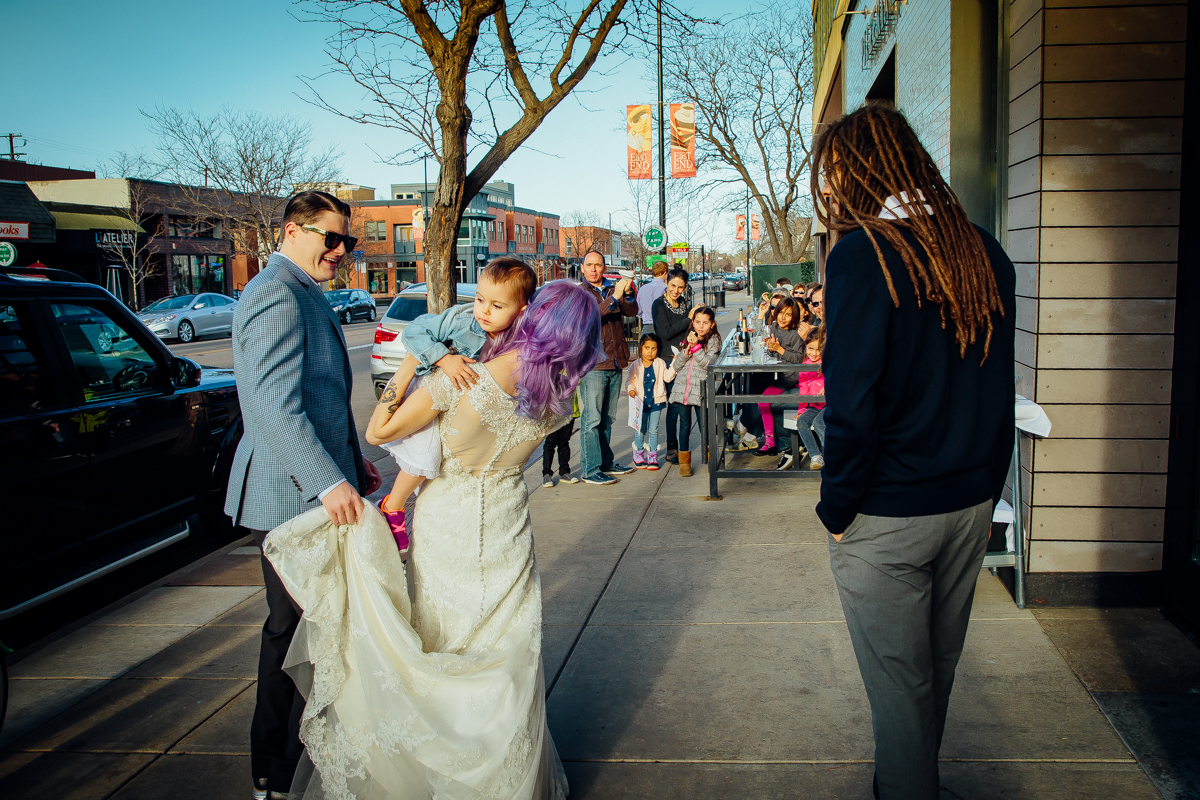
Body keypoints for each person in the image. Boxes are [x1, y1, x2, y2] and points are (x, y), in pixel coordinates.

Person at [266, 280, 603, 800]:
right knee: (506, 648)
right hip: (508, 524)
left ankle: (440, 768)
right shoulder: (562, 399)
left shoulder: (466, 380)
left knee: (444, 642)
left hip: (450, 519)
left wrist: (408, 365)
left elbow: (379, 432)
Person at [813, 104, 1015, 800]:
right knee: (933, 677)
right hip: (965, 503)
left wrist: (837, 508)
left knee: (902, 690)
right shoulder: (981, 249)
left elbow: (851, 402)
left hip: (887, 513)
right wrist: (990, 488)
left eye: (839, 174)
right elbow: (999, 384)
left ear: (868, 169)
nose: (834, 191)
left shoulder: (863, 254)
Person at [222, 190, 383, 800]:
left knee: (304, 634)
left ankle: (285, 765)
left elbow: (315, 400)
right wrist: (328, 481)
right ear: (293, 231)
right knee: (292, 635)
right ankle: (274, 773)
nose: (341, 252)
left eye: (348, 242)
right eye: (331, 239)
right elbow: (276, 410)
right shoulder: (274, 294)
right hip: (289, 497)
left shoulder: (300, 289)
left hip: (311, 486)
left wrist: (351, 462)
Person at [374, 259, 536, 550]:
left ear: (521, 310)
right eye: (480, 299)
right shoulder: (462, 319)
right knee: (425, 454)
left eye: (497, 306)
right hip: (428, 387)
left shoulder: (515, 341)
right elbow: (414, 331)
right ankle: (393, 505)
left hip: (459, 405)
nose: (484, 311)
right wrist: (443, 357)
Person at [579, 249, 638, 485]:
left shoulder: (613, 287)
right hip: (593, 364)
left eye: (598, 265)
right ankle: (590, 469)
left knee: (607, 418)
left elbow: (632, 312)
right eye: (589, 265)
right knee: (592, 419)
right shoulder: (579, 293)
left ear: (604, 267)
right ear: (582, 267)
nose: (594, 269)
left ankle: (605, 462)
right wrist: (614, 297)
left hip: (615, 360)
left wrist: (630, 294)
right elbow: (591, 316)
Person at [651, 268, 701, 462]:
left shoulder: (683, 303)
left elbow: (687, 330)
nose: (676, 290)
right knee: (674, 405)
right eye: (673, 285)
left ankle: (682, 446)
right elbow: (666, 332)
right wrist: (689, 317)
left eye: (680, 287)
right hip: (668, 360)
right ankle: (672, 447)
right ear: (666, 282)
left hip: (685, 357)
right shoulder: (659, 305)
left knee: (684, 404)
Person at [665, 306, 721, 477]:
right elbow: (676, 365)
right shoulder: (690, 337)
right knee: (684, 426)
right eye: (697, 322)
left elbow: (708, 364)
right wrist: (686, 350)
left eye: (705, 323)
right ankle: (684, 463)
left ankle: (711, 459)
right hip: (683, 388)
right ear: (693, 322)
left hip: (700, 389)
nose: (701, 326)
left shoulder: (714, 340)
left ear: (712, 324)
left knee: (705, 425)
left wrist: (696, 348)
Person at [756, 297, 808, 458]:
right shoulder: (774, 327)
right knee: (756, 389)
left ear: (795, 317)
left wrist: (779, 349)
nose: (783, 317)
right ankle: (768, 439)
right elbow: (768, 346)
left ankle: (770, 442)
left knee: (763, 400)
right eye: (781, 313)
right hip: (779, 374)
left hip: (791, 377)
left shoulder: (795, 334)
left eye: (788, 315)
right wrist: (771, 347)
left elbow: (799, 359)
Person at [626, 332, 668, 470]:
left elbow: (667, 377)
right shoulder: (635, 365)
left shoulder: (660, 363)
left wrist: (674, 365)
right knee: (641, 429)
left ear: (657, 349)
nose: (650, 352)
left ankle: (653, 455)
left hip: (656, 403)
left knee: (653, 429)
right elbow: (629, 380)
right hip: (641, 403)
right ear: (641, 348)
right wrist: (631, 389)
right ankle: (638, 452)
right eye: (647, 348)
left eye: (653, 348)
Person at [793, 332, 826, 471]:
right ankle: (815, 455)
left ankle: (833, 453)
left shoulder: (826, 363)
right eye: (810, 348)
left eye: (818, 349)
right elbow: (803, 388)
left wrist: (827, 387)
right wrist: (801, 409)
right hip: (813, 405)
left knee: (819, 423)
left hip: (827, 404)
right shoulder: (804, 365)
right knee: (802, 422)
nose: (814, 353)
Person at [637, 260, 669, 329]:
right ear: (665, 273)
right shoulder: (666, 289)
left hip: (647, 325)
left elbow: (638, 311)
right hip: (663, 326)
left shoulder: (642, 289)